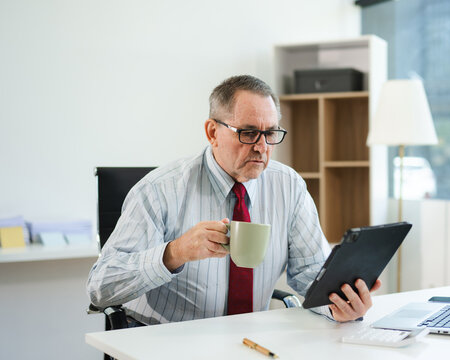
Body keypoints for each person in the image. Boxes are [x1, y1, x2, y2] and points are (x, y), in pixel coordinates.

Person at [87, 74, 381, 325]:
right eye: (249, 133)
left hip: (249, 341)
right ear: (212, 132)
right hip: (169, 341)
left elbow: (310, 272)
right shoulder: (159, 190)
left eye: (270, 133)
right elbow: (100, 288)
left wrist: (338, 305)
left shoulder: (288, 186)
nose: (262, 147)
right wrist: (174, 252)